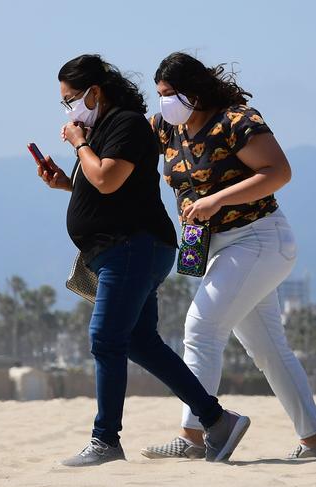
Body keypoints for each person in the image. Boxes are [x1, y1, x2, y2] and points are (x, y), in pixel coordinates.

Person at [35, 54, 250, 467]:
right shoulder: (103, 131)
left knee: (105, 339)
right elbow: (102, 187)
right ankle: (217, 420)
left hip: (132, 247)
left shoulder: (126, 124)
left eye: (71, 100)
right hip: (124, 248)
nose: (69, 111)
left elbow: (108, 178)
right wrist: (65, 183)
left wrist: (78, 142)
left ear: (95, 92)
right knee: (138, 341)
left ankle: (105, 440)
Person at [142, 52, 316, 461]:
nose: (164, 102)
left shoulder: (237, 121)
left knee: (201, 328)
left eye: (170, 94)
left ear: (195, 91)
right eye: (160, 95)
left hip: (259, 239)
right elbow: (128, 159)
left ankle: (194, 436)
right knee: (269, 348)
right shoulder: (168, 127)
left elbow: (278, 171)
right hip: (221, 247)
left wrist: (216, 199)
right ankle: (313, 439)